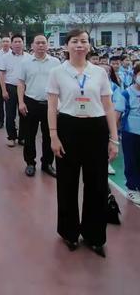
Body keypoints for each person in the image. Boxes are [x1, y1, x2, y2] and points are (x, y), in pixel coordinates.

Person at [47, 29, 119, 257]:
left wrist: (113, 139)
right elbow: (51, 106)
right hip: (68, 127)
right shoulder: (57, 72)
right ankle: (69, 232)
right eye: (75, 41)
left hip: (95, 128)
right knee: (67, 183)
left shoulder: (99, 72)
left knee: (97, 184)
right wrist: (54, 136)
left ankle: (95, 236)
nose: (80, 45)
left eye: (84, 41)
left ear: (89, 46)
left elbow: (108, 106)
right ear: (66, 46)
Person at [17, 34, 60, 177]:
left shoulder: (55, 62)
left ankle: (47, 163)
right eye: (38, 43)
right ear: (32, 45)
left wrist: (59, 104)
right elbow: (21, 83)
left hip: (50, 104)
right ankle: (30, 163)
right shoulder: (25, 63)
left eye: (43, 43)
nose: (41, 45)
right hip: (31, 102)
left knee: (49, 135)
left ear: (47, 45)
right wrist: (21, 102)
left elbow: (59, 85)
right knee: (30, 135)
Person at [0, 34, 32, 147]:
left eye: (19, 41)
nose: (17, 44)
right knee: (10, 114)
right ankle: (11, 137)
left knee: (24, 114)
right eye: (15, 42)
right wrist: (4, 90)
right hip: (10, 87)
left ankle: (22, 137)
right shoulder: (5, 57)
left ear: (23, 43)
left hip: (25, 89)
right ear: (12, 44)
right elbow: (2, 74)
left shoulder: (29, 57)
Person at [114, 63, 140, 205]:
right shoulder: (126, 93)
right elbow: (117, 114)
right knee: (131, 160)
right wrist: (115, 134)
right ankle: (132, 187)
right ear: (135, 75)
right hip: (130, 133)